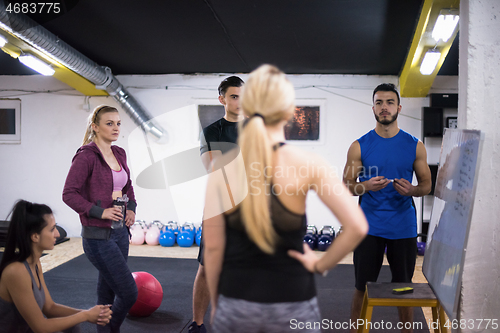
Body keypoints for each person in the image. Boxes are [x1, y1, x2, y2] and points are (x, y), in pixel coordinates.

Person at [202, 64, 368, 333]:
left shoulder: (222, 169)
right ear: (290, 112)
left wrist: (219, 305)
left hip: (236, 305)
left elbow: (212, 249)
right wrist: (319, 264)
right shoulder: (309, 163)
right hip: (294, 304)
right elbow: (357, 227)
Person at [342, 83, 432, 333]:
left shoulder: (415, 145)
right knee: (362, 286)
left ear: (399, 107)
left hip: (403, 227)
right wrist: (366, 186)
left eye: (389, 102)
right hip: (368, 227)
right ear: (373, 107)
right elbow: (346, 187)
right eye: (379, 102)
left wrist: (412, 190)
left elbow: (426, 185)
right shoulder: (359, 146)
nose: (384, 107)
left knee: (403, 286)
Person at [63, 105, 138, 333]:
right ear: (95, 127)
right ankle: (111, 329)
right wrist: (100, 212)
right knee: (128, 292)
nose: (115, 128)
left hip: (120, 233)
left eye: (118, 123)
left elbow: (127, 186)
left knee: (107, 293)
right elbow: (69, 194)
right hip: (98, 237)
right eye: (109, 123)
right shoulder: (86, 156)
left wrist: (132, 208)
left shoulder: (119, 153)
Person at [0, 200, 112, 332]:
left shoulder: (35, 264)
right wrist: (85, 315)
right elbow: (40, 327)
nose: (58, 234)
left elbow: (49, 308)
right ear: (35, 236)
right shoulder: (16, 271)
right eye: (52, 229)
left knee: (73, 324)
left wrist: (87, 313)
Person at [189, 76, 245, 333]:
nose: (239, 101)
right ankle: (198, 324)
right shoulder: (212, 131)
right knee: (207, 268)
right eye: (233, 96)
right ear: (222, 99)